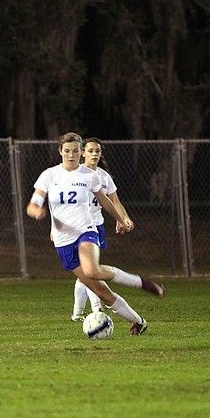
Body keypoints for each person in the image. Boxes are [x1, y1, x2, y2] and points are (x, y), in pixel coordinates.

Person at [26, 131, 164, 336]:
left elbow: (106, 200)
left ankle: (141, 283)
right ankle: (138, 321)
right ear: (60, 151)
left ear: (80, 152)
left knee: (92, 270)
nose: (71, 155)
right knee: (102, 292)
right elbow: (32, 205)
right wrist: (37, 211)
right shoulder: (49, 175)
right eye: (67, 151)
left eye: (75, 151)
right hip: (63, 241)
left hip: (86, 231)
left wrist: (120, 219)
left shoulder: (89, 175)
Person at [68, 137, 135, 322]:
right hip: (78, 227)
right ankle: (96, 310)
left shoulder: (104, 176)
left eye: (97, 151)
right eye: (90, 150)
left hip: (96, 226)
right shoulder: (75, 175)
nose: (95, 154)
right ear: (82, 153)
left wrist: (124, 218)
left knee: (88, 272)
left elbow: (114, 201)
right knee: (90, 271)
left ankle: (78, 312)